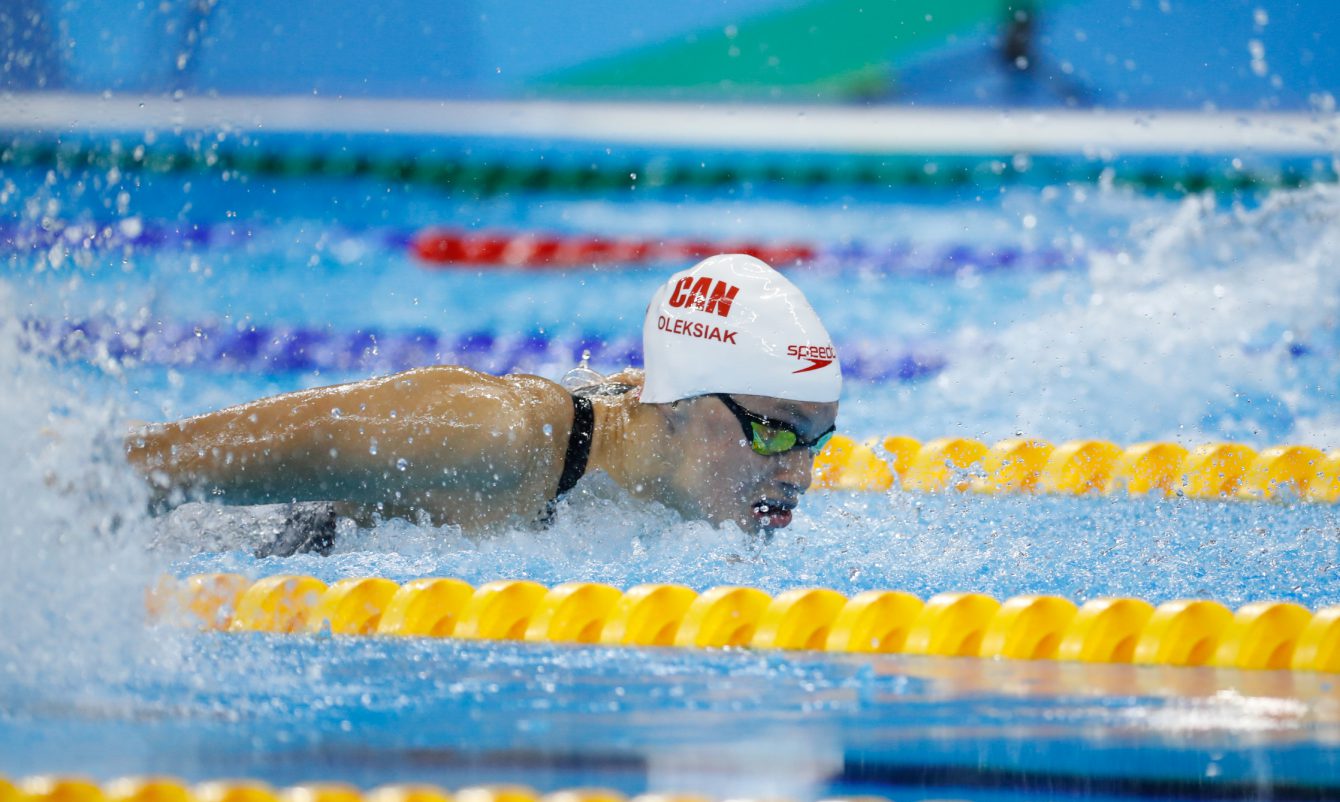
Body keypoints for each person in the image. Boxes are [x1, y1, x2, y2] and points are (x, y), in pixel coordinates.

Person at [125, 254, 841, 550]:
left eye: (818, 441)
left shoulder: (654, 452)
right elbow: (145, 466)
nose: (801, 474)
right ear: (680, 403)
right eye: (777, 434)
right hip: (219, 536)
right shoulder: (498, 433)